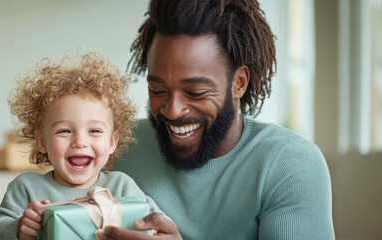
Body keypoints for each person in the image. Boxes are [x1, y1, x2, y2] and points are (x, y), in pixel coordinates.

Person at [97, 0, 335, 239]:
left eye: (196, 93)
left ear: (239, 83)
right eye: (158, 91)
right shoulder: (115, 146)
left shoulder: (289, 165)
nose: (173, 111)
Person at [0, 52, 165, 240]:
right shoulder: (27, 187)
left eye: (94, 131)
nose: (80, 142)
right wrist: (18, 227)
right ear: (42, 141)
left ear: (111, 142)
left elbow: (161, 224)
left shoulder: (121, 187)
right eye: (64, 131)